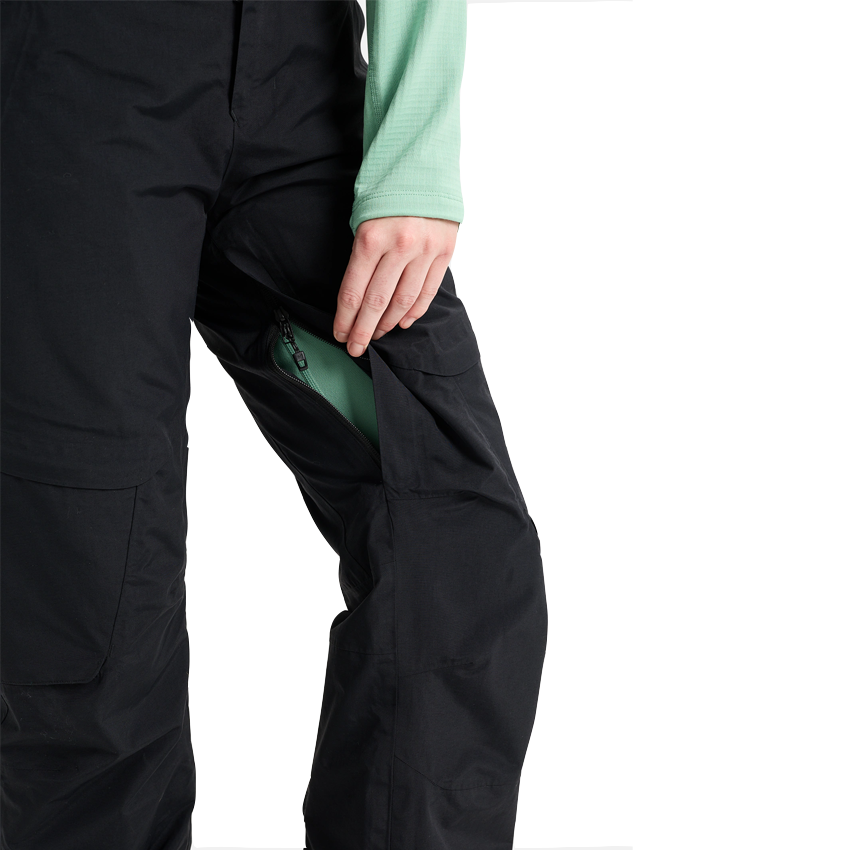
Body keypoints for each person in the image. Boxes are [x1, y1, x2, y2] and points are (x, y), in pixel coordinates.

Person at [0, 2, 548, 847]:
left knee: (455, 540)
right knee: (90, 606)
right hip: (73, 72)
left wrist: (416, 148)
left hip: (300, 71)